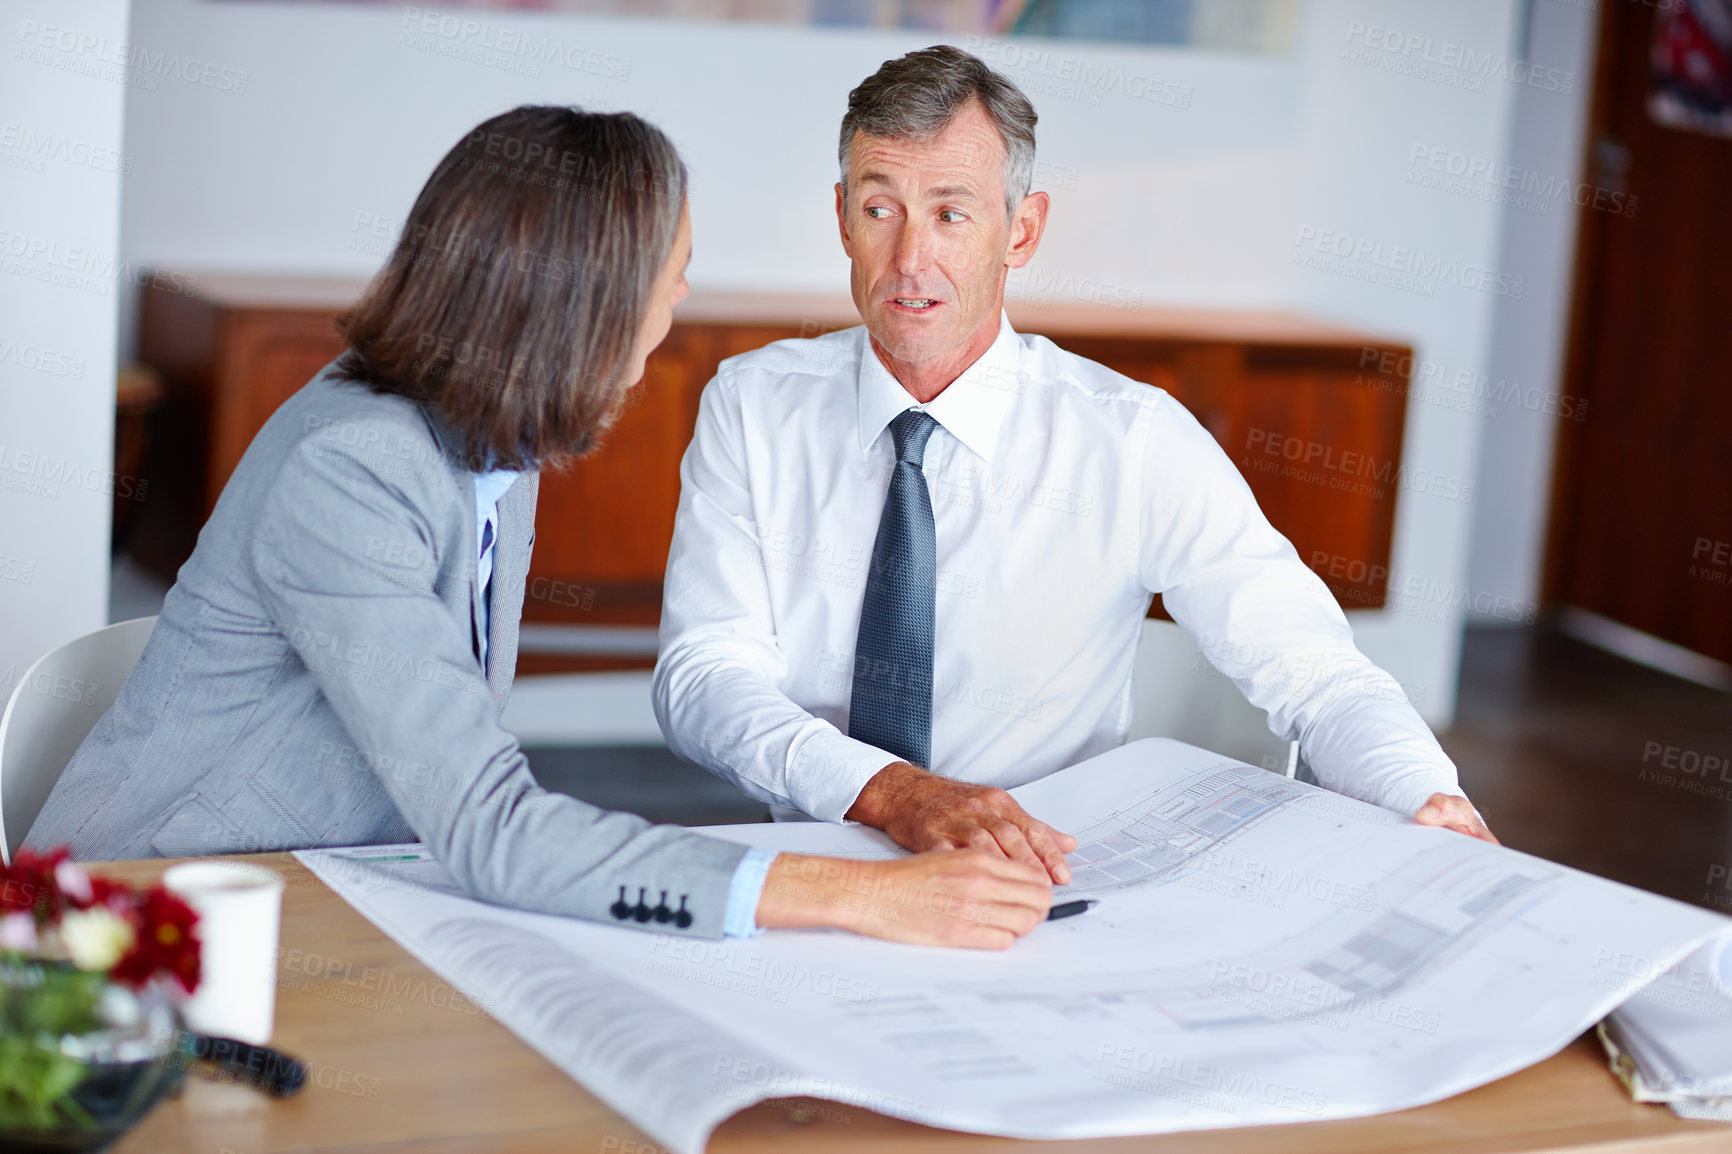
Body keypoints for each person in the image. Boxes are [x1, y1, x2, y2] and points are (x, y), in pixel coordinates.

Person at [26, 105, 1051, 948]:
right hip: (136, 930)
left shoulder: (491, 440)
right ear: (586, 301)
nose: (683, 296)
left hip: (336, 893)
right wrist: (855, 894)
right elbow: (488, 826)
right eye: (672, 267)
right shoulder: (351, 467)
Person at [652, 47, 1497, 887]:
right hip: (817, 865)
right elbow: (703, 675)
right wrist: (887, 792)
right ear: (842, 218)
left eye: (952, 213)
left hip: (1043, 877)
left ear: (1021, 231)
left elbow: (1314, 670)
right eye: (882, 209)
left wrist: (1428, 797)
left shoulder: (1131, 440)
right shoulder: (754, 405)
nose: (911, 258)